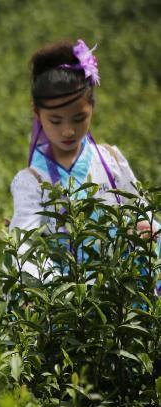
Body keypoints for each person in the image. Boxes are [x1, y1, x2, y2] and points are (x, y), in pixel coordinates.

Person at [9, 39, 150, 279]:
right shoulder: (31, 180)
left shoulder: (111, 160)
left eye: (78, 119)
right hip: (64, 290)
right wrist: (58, 288)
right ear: (37, 112)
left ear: (92, 108)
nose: (68, 131)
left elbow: (141, 210)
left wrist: (146, 228)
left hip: (123, 285)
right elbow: (24, 247)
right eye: (55, 121)